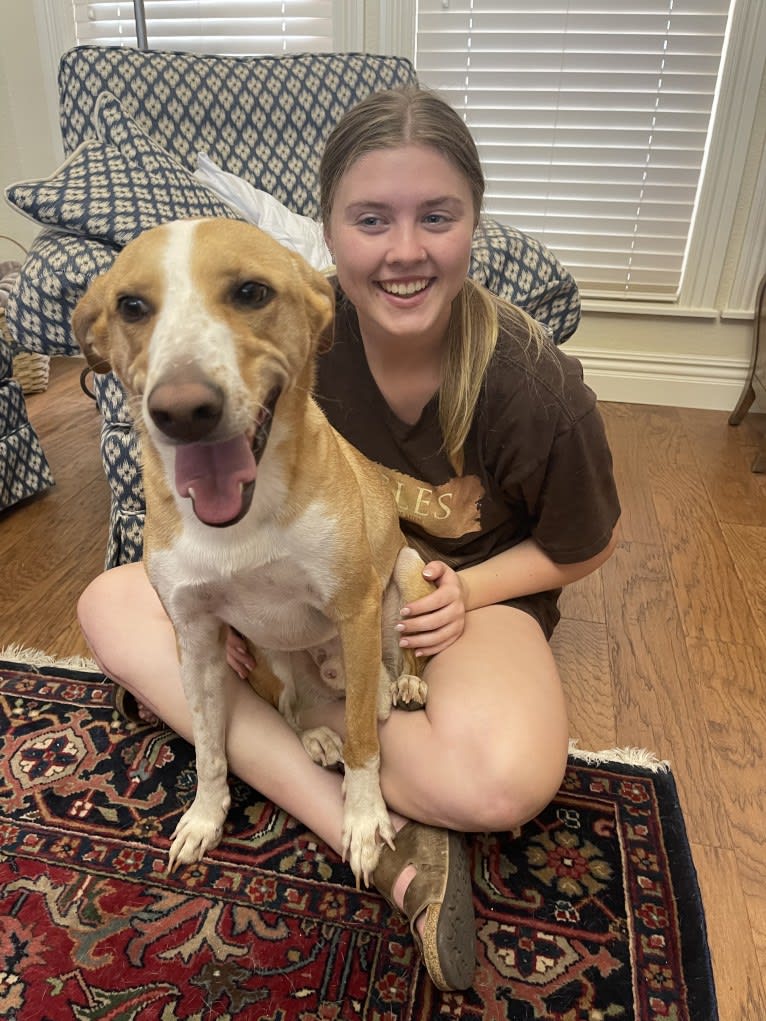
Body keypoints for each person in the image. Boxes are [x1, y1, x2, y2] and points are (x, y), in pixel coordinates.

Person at [77, 86, 620, 993]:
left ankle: (310, 732)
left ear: (473, 226)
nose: (404, 250)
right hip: (286, 596)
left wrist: (466, 593)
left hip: (459, 591)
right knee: (103, 602)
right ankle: (356, 827)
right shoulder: (295, 324)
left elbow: (586, 542)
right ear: (328, 239)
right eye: (372, 219)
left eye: (436, 217)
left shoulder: (534, 386)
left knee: (502, 784)